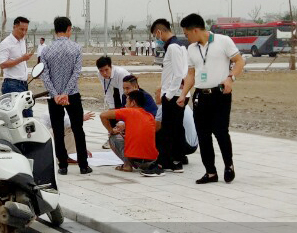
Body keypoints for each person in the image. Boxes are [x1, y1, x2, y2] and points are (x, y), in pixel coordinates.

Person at [178, 13, 245, 184]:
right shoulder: (191, 49)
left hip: (220, 94)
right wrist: (183, 94)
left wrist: (230, 78)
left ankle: (229, 165)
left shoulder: (223, 41)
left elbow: (239, 61)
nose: (186, 38)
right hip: (200, 95)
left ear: (195, 30)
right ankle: (210, 172)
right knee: (203, 135)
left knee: (221, 132)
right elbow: (191, 74)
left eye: (187, 34)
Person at [40, 16, 91, 175]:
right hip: (72, 95)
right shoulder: (76, 48)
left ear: (55, 30)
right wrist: (66, 93)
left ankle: (62, 165)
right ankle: (83, 165)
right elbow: (76, 73)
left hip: (53, 96)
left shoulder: (46, 50)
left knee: (57, 129)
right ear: (69, 29)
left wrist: (56, 94)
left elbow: (44, 75)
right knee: (78, 129)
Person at [151, 18, 190, 173]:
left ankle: (163, 163)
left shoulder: (173, 47)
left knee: (167, 129)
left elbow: (179, 73)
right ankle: (177, 159)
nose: (157, 38)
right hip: (180, 93)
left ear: (160, 31)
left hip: (173, 95)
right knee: (177, 128)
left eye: (155, 35)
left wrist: (168, 95)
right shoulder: (180, 45)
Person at [99, 90, 161, 174]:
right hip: (152, 160)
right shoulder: (149, 115)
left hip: (137, 161)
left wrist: (111, 131)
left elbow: (103, 115)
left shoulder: (129, 111)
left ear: (133, 103)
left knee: (113, 137)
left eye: (127, 101)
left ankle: (127, 165)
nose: (125, 104)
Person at [0, 16, 34, 118]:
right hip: (12, 85)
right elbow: (3, 64)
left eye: (26, 30)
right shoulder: (6, 43)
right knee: (17, 119)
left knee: (27, 118)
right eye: (21, 29)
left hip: (23, 84)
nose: (24, 32)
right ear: (14, 27)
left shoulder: (23, 41)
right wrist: (21, 59)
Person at [96, 56, 130, 148]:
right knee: (111, 113)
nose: (104, 73)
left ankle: (126, 138)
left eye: (106, 70)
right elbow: (107, 91)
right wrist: (111, 107)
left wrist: (123, 111)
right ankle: (113, 138)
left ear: (111, 66)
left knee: (124, 114)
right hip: (116, 90)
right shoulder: (100, 75)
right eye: (101, 71)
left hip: (128, 92)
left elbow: (123, 94)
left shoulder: (120, 73)